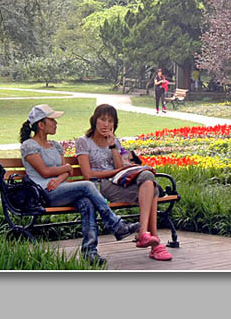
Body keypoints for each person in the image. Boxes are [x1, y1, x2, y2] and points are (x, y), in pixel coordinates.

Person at [20, 103, 140, 265]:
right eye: (52, 120)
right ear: (41, 125)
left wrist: (61, 176)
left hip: (60, 189)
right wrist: (65, 169)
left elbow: (66, 172)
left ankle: (90, 252)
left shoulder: (55, 145)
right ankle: (116, 224)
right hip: (43, 193)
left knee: (86, 202)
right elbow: (44, 172)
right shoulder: (29, 146)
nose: (56, 123)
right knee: (87, 185)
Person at [75, 104, 173, 261]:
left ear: (114, 124)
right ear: (94, 120)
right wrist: (114, 172)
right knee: (153, 190)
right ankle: (154, 243)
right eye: (102, 119)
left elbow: (120, 168)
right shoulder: (83, 142)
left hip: (117, 183)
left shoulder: (115, 142)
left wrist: (113, 145)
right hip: (98, 186)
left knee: (149, 180)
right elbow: (88, 175)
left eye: (110, 121)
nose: (106, 124)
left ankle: (143, 234)